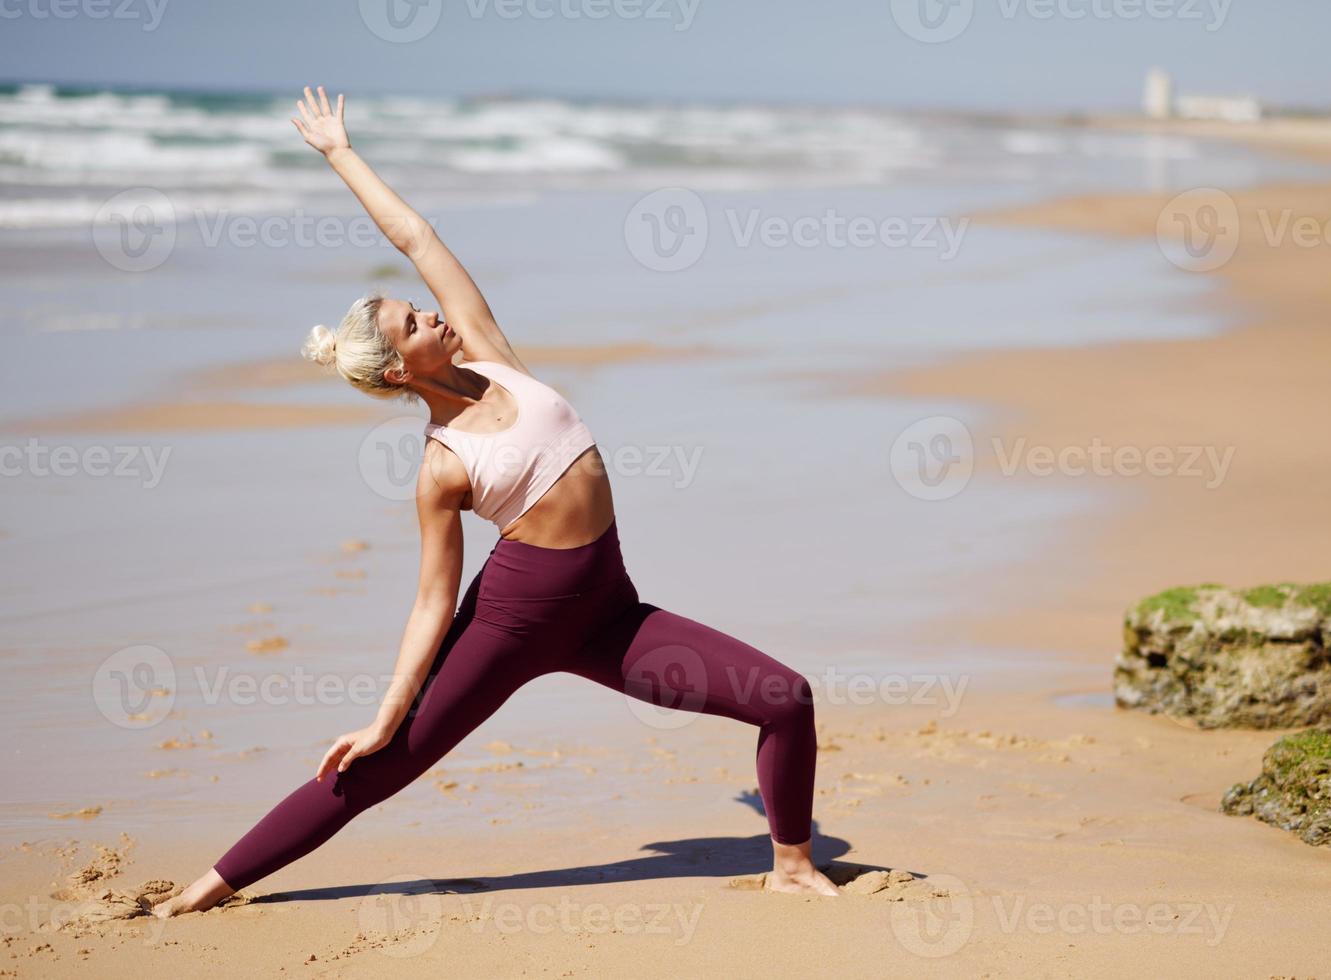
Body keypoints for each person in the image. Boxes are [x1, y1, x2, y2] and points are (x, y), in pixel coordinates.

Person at [151, 87, 837, 916]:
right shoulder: (442, 466)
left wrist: (341, 153)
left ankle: (793, 865)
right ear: (400, 369)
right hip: (511, 623)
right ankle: (205, 890)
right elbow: (434, 600)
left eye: (420, 308)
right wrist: (384, 712)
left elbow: (416, 237)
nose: (432, 312)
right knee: (380, 767)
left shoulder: (489, 353)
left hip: (607, 612)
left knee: (784, 698)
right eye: (415, 321)